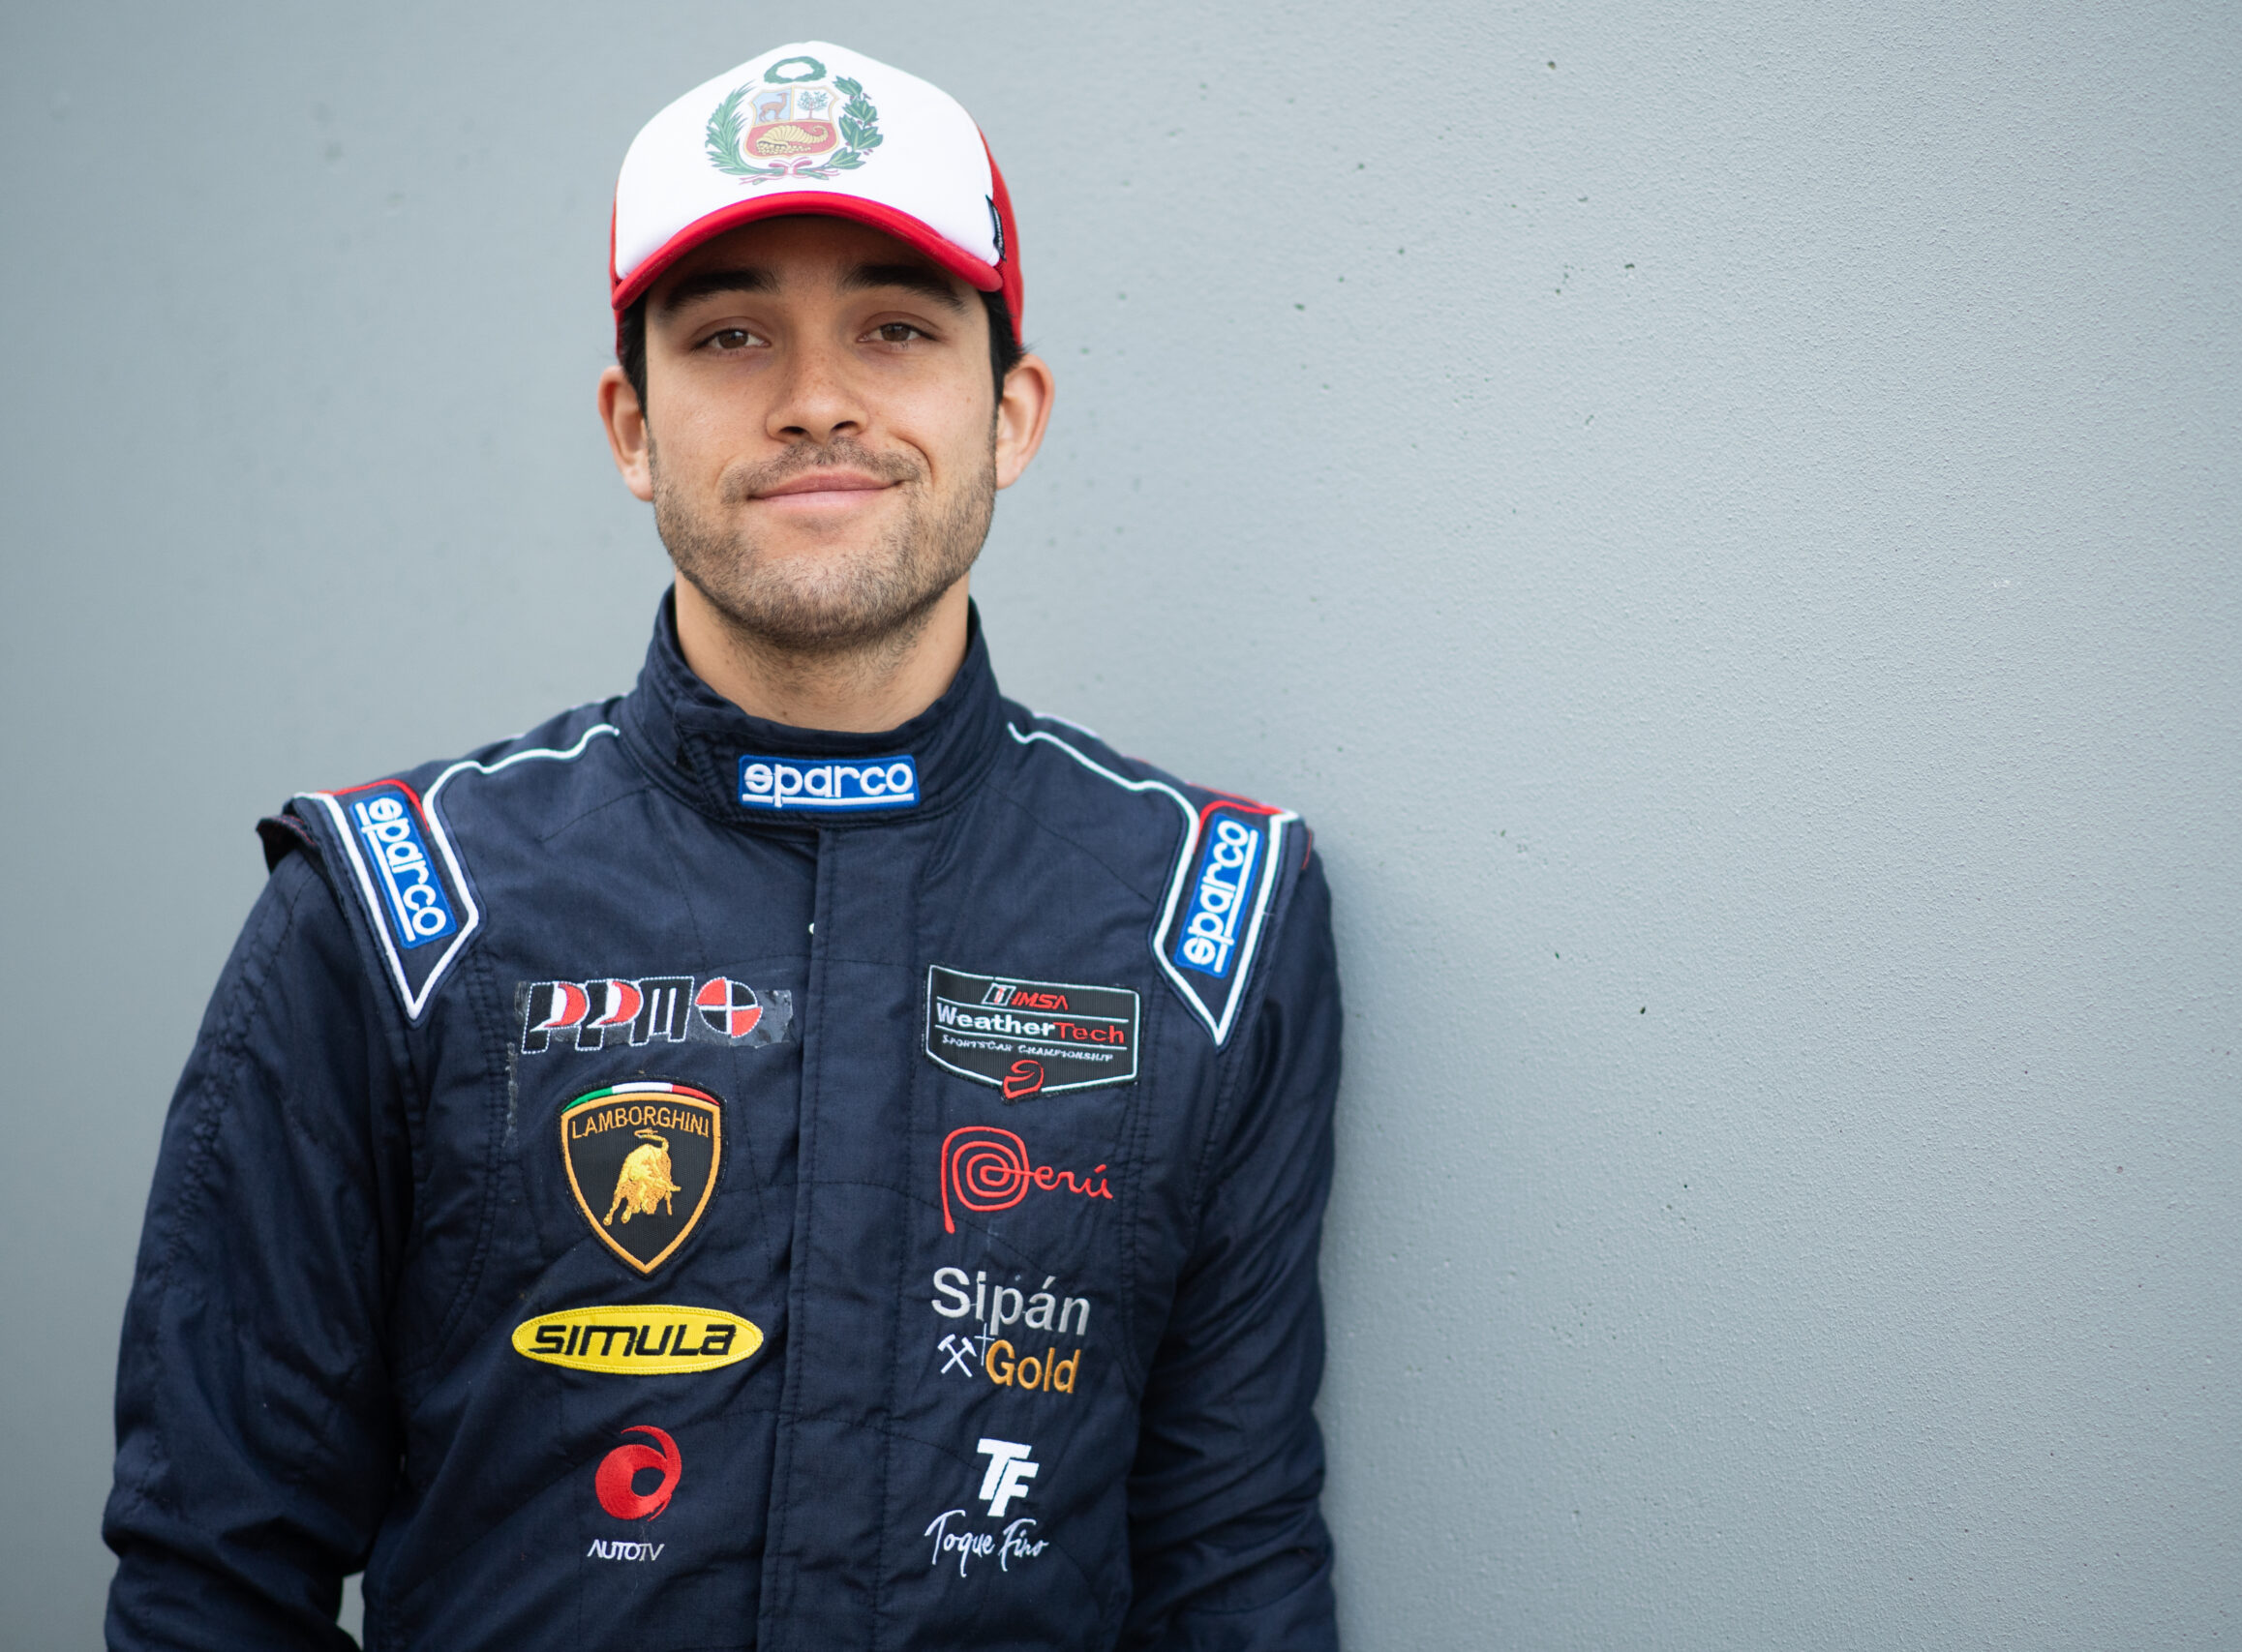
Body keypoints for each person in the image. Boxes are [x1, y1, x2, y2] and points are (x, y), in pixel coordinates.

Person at [102, 41, 1341, 1651]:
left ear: (1011, 413)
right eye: (732, 334)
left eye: (896, 328)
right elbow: (210, 1580)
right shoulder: (395, 911)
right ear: (632, 426)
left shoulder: (1208, 919)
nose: (815, 397)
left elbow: (1234, 1562)